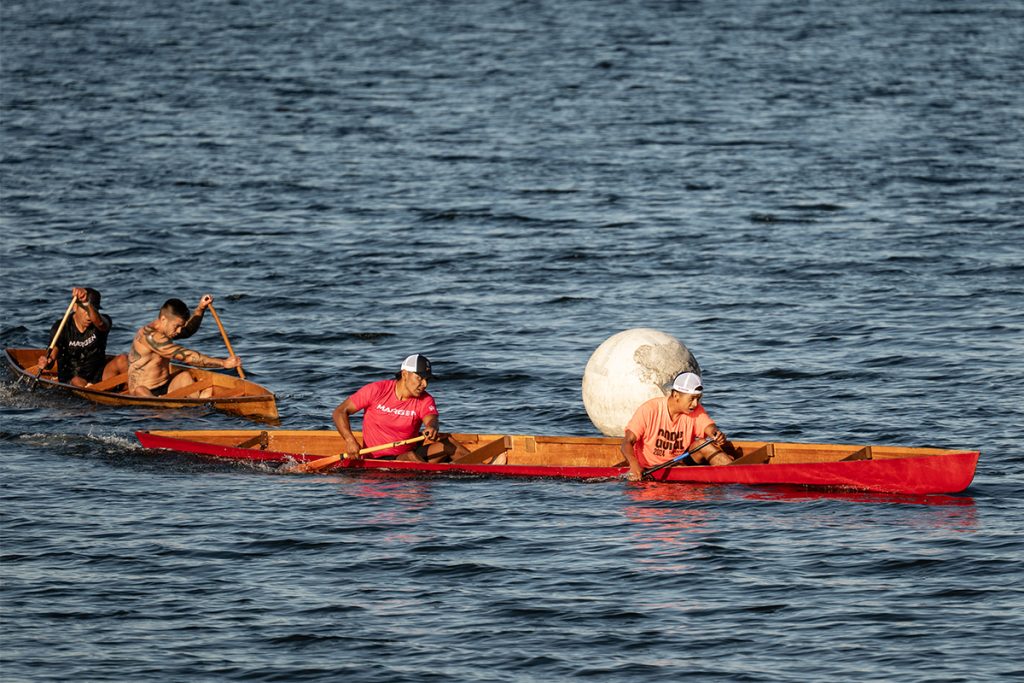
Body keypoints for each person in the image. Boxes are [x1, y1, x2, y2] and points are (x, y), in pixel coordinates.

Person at [333, 354, 469, 463]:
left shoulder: (425, 399)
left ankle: (480, 469)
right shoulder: (376, 390)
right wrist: (350, 440)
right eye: (420, 378)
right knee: (410, 457)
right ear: (405, 374)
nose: (424, 384)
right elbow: (340, 412)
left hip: (410, 453)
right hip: (376, 457)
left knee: (449, 443)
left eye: (427, 379)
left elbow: (431, 419)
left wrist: (432, 427)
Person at [620, 371, 734, 481]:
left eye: (698, 398)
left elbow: (709, 427)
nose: (695, 404)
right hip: (650, 468)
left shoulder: (696, 411)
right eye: (692, 399)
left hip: (681, 462)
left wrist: (716, 434)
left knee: (702, 444)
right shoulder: (649, 410)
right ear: (676, 395)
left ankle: (735, 473)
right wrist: (634, 465)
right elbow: (626, 442)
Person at [125, 295, 241, 397]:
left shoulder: (166, 330)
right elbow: (188, 357)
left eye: (181, 326)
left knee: (185, 376)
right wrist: (223, 363)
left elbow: (188, 330)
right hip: (144, 391)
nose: (179, 331)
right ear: (163, 319)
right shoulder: (150, 337)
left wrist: (200, 308)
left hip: (165, 385)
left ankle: (196, 406)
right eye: (177, 326)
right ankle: (160, 406)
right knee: (140, 390)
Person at [37, 287, 112, 387]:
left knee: (122, 360)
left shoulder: (103, 322)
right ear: (75, 307)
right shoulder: (62, 327)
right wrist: (47, 362)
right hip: (72, 380)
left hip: (98, 377)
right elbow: (52, 356)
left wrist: (87, 303)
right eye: (85, 309)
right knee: (77, 381)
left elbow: (101, 324)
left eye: (93, 310)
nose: (89, 316)